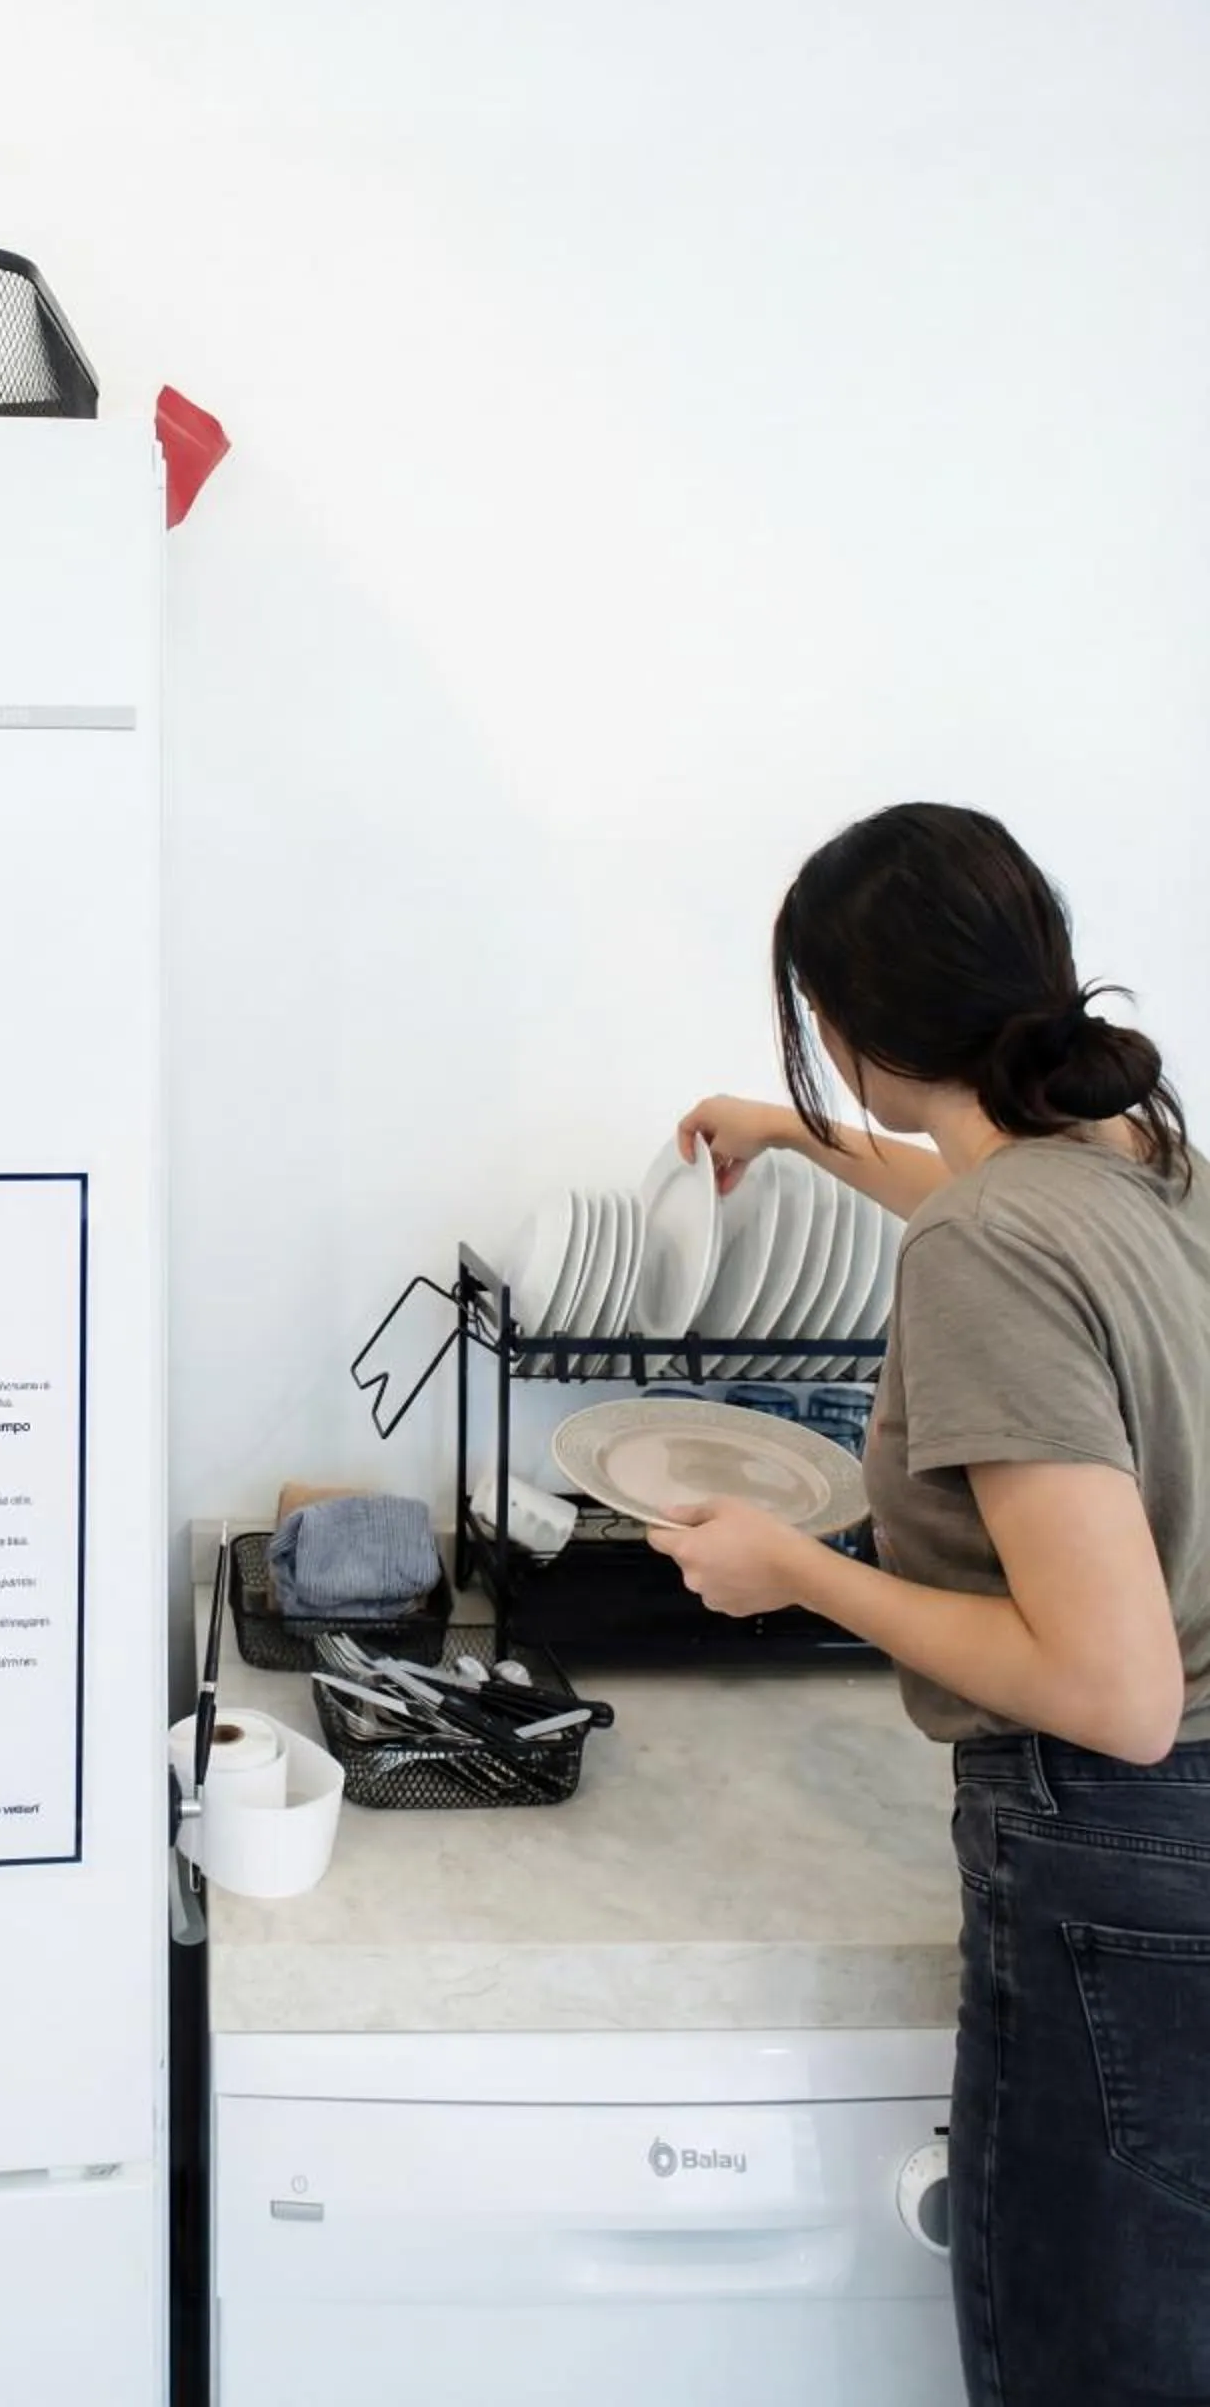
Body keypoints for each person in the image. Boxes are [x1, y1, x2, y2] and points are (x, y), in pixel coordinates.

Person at [665, 802, 1210, 2407]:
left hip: (1112, 1846)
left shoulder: (988, 1242)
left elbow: (1113, 1692)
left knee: (1091, 2364)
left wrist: (793, 1567)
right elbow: (981, 1196)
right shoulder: (1147, 1160)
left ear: (846, 1026)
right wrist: (792, 1135)